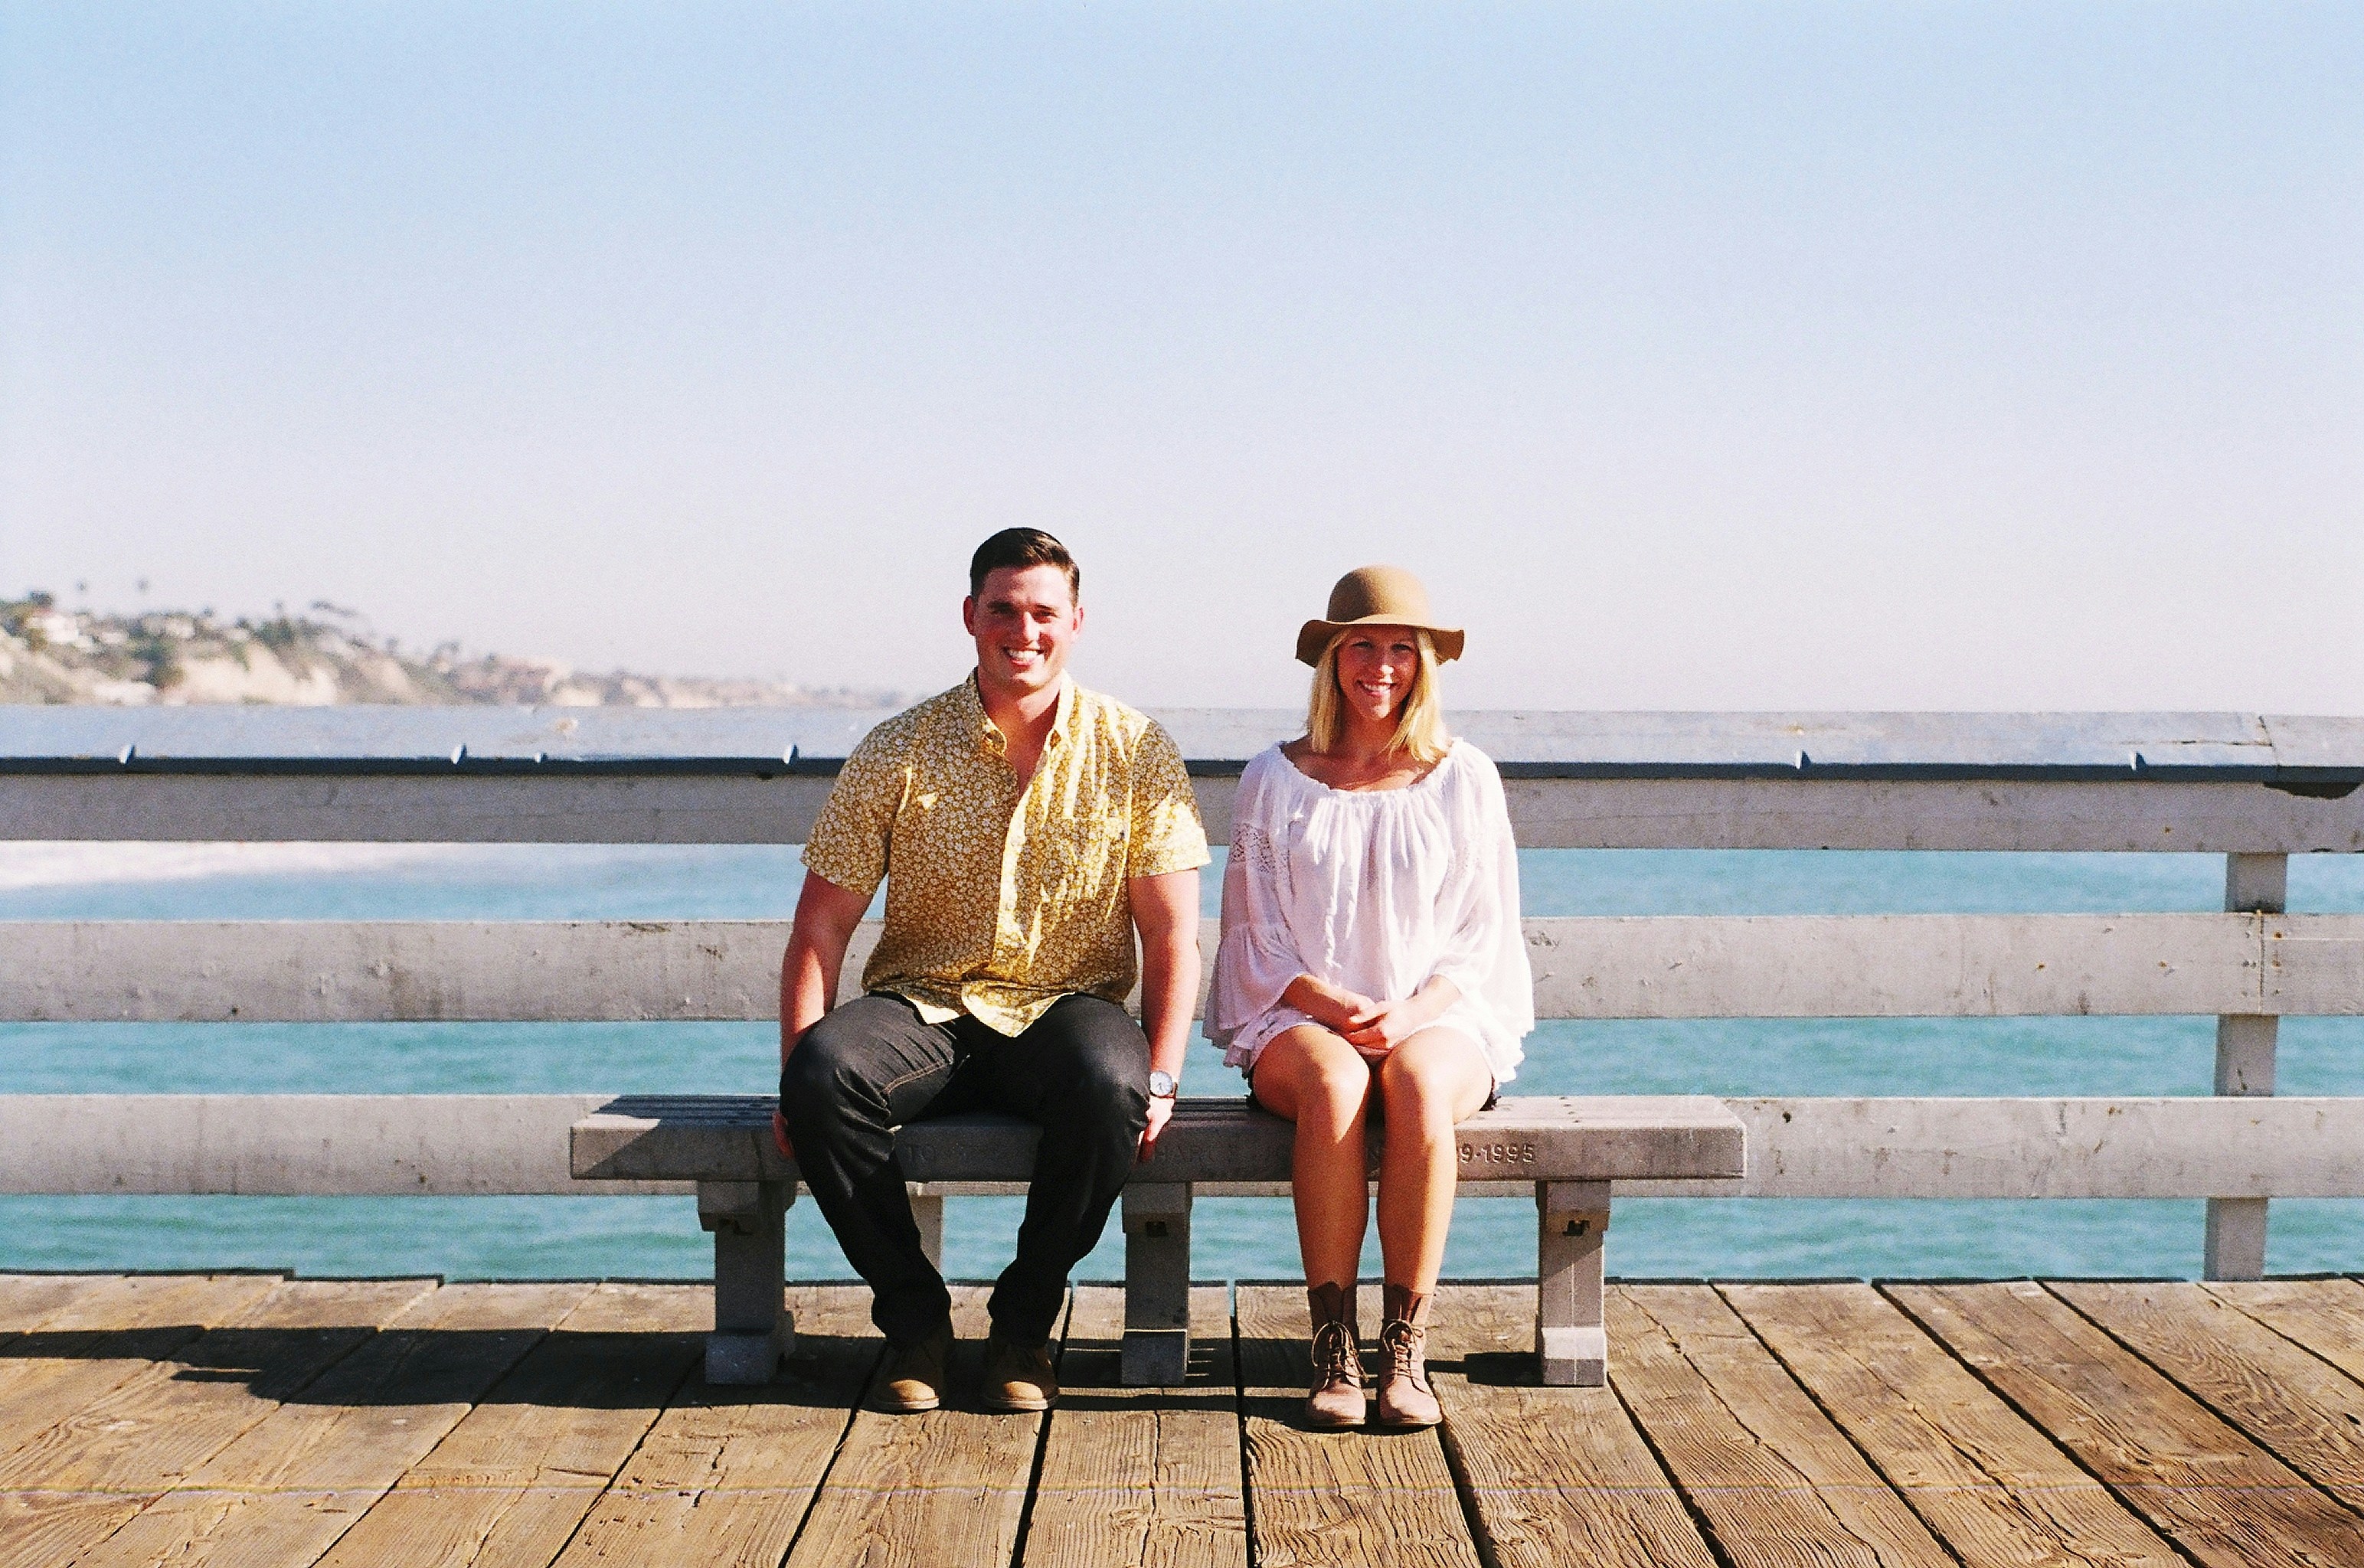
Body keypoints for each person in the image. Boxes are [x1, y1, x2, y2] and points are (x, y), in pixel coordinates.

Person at [774, 528, 1208, 1415]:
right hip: (923, 1007)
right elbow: (820, 925)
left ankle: (1023, 1325)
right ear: (970, 615)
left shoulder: (1134, 747)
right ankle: (914, 1322)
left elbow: (1171, 937)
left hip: (1064, 1007)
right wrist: (789, 1071)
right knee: (823, 1073)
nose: (1025, 629)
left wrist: (1163, 1075)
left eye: (1044, 611)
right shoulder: (899, 746)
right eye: (1003, 608)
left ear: (1076, 622)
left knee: (1111, 1082)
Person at [1208, 565, 1532, 1429]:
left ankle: (1405, 1348)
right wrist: (1330, 1002)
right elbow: (1253, 932)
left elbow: (1482, 932)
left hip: (1441, 1013)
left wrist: (1413, 1010)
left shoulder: (1464, 776)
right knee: (1339, 1083)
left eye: (1400, 648)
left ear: (1424, 662)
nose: (1380, 665)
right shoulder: (1275, 777)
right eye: (1362, 646)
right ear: (1332, 659)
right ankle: (1332, 1345)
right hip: (1299, 1011)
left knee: (1418, 1082)